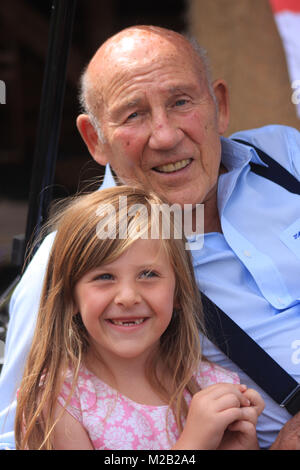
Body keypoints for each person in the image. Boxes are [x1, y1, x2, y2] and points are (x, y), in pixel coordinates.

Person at [0, 25, 299, 449]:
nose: (165, 135)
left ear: (221, 105)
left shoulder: (286, 157)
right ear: (94, 138)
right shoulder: (75, 252)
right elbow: (16, 435)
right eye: (134, 114)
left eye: (180, 102)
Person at [14, 186, 263, 450]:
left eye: (148, 274)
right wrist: (193, 444)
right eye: (104, 277)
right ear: (70, 298)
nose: (128, 297)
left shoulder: (213, 386)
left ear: (180, 291)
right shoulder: (58, 401)